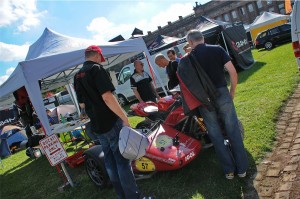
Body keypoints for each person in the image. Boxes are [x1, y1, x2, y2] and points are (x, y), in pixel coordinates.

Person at [74, 45, 144, 199]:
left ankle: (121, 195)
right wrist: (124, 117)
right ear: (98, 55)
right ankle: (133, 196)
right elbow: (107, 97)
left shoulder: (77, 75)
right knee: (121, 161)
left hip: (97, 124)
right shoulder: (96, 69)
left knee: (109, 160)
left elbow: (82, 105)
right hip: (110, 121)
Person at [177, 29, 248, 180]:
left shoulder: (188, 59)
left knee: (215, 135)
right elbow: (232, 72)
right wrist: (232, 92)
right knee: (233, 130)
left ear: (190, 42)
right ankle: (242, 169)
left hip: (204, 101)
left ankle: (229, 171)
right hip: (222, 93)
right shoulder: (217, 49)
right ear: (202, 38)